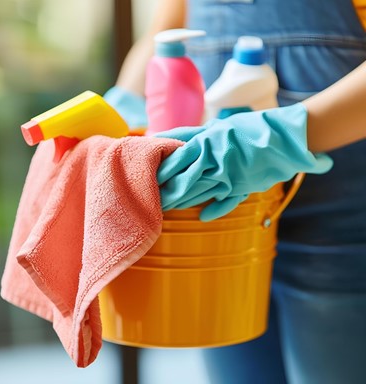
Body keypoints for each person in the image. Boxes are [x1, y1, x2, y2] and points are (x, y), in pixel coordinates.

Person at [105, 0, 366, 382]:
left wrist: (284, 138)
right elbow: (168, 32)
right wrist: (120, 115)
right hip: (218, 207)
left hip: (347, 221)